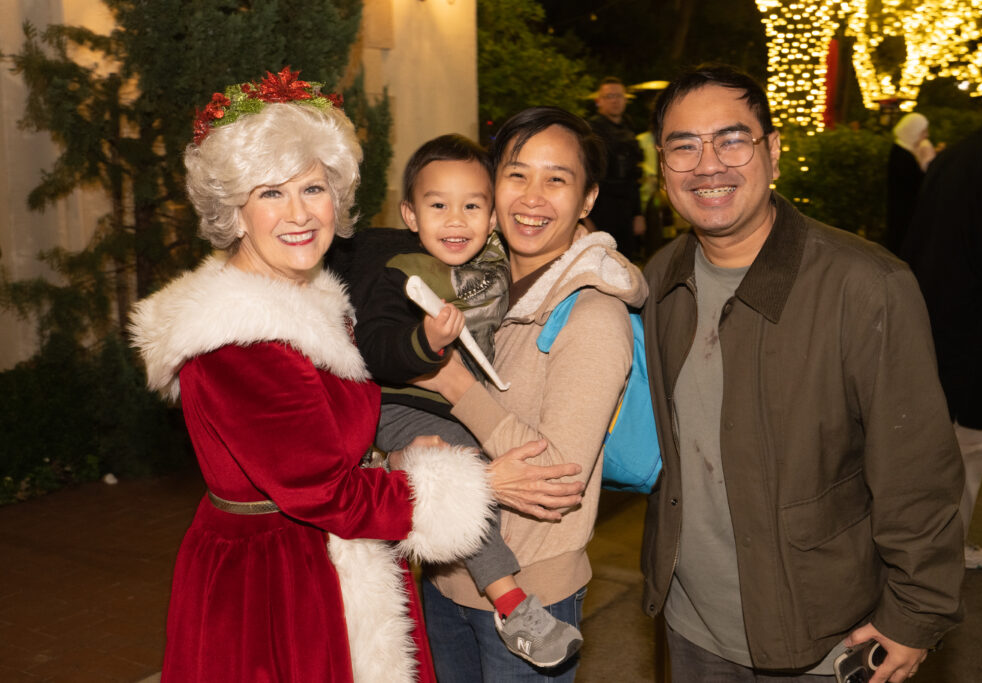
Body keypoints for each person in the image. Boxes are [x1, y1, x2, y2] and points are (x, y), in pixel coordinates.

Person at [128, 69, 582, 683]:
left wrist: (390, 463)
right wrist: (476, 484)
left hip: (330, 558)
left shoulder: (317, 301)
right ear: (233, 211)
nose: (299, 214)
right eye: (270, 193)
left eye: (313, 189)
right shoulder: (239, 339)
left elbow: (325, 452)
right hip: (279, 590)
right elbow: (324, 493)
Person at [641, 65, 964, 683]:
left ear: (774, 153)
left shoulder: (866, 286)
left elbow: (918, 467)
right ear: (663, 170)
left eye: (732, 139)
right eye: (684, 146)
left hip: (823, 637)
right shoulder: (658, 280)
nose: (708, 164)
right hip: (689, 625)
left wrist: (916, 613)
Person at [332, 133, 582, 668]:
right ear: (410, 214)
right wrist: (423, 343)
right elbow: (376, 344)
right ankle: (512, 603)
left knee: (471, 465)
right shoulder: (403, 271)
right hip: (403, 406)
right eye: (438, 206)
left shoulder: (491, 263)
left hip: (452, 405)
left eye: (472, 206)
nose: (455, 220)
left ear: (492, 217)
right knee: (458, 477)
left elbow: (566, 239)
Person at [417, 107, 648, 681]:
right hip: (445, 578)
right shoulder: (469, 286)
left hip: (532, 594)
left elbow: (557, 478)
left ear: (588, 198)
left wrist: (453, 383)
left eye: (557, 179)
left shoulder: (593, 314)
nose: (532, 197)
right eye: (517, 174)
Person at [901, 67, 982, 571]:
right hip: (976, 332)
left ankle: (919, 548)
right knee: (973, 444)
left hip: (934, 322)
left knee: (933, 445)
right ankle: (944, 553)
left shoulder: (959, 155)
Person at [586, 77, 646, 260]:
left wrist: (638, 213)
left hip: (626, 209)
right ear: (599, 101)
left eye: (619, 96)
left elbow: (633, 176)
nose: (615, 100)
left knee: (625, 264)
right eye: (609, 96)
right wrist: (584, 218)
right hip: (599, 209)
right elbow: (584, 175)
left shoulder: (629, 127)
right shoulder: (590, 130)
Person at [884, 112, 936, 252]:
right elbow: (917, 185)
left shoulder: (903, 151)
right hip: (903, 218)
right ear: (913, 131)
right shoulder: (903, 157)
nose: (926, 135)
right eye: (923, 131)